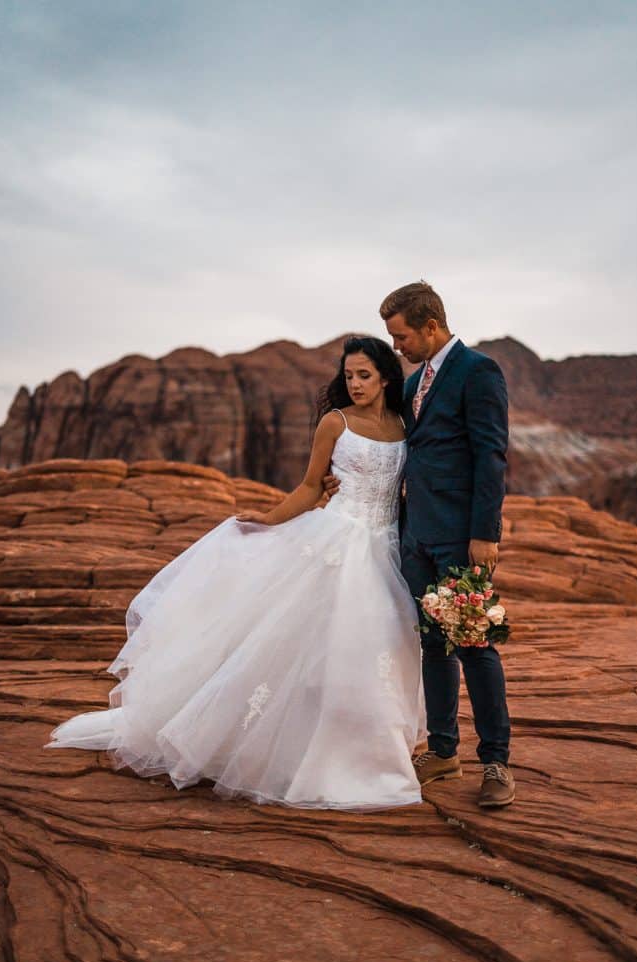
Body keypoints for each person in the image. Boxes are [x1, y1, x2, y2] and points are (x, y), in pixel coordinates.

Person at [46, 337, 424, 811]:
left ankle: (371, 750)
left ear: (386, 376)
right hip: (338, 544)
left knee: (380, 650)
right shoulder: (336, 422)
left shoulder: (404, 423)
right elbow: (310, 487)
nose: (355, 384)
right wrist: (269, 518)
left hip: (386, 546)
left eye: (364, 375)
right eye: (348, 375)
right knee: (315, 650)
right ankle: (313, 757)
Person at [326, 283, 514, 808]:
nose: (399, 345)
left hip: (461, 537)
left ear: (430, 327)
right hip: (415, 537)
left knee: (475, 645)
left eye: (402, 335)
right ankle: (444, 751)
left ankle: (496, 762)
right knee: (433, 645)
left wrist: (484, 534)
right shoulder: (412, 386)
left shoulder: (479, 372)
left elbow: (491, 455)